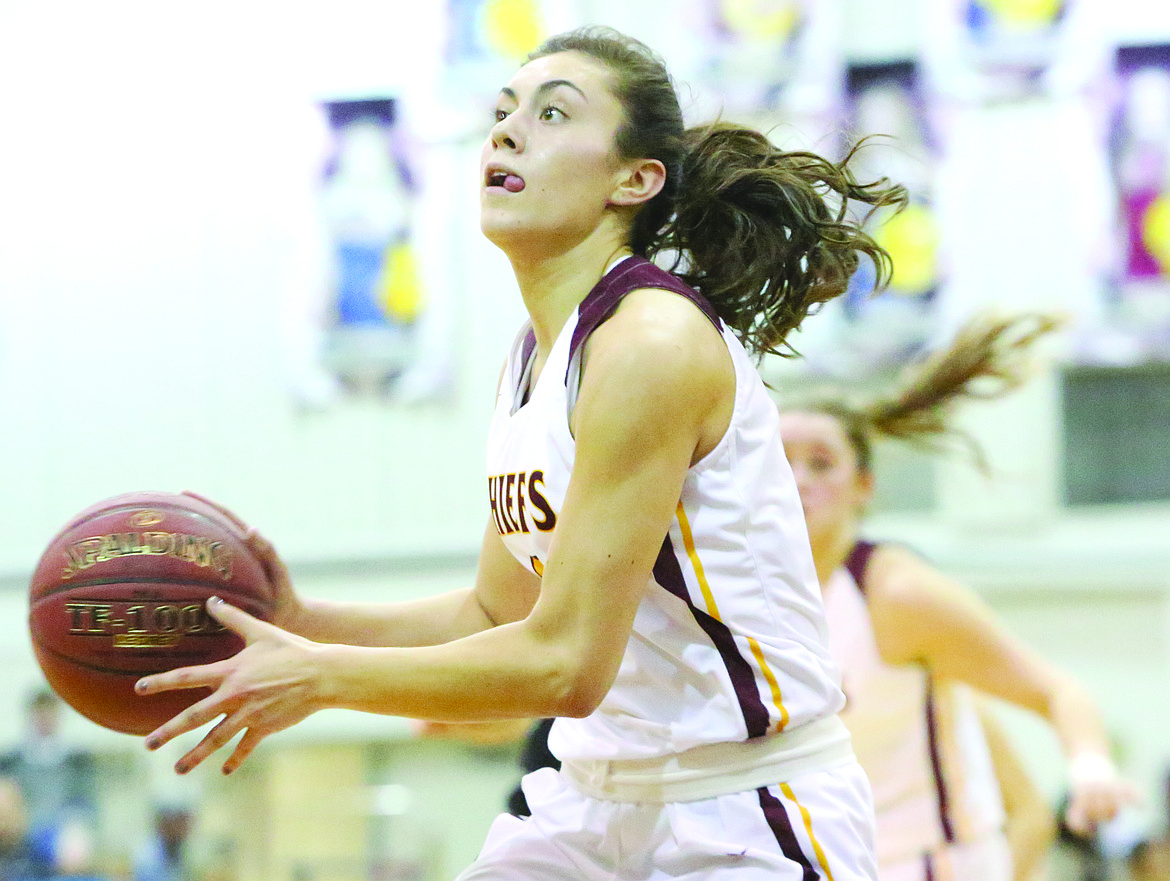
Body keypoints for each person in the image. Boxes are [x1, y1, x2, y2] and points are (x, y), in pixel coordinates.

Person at [136, 25, 908, 881]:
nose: (505, 131)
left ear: (635, 178)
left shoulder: (650, 342)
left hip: (745, 810)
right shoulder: (532, 356)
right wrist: (301, 621)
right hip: (592, 801)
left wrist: (321, 678)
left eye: (551, 113)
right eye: (503, 111)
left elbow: (565, 664)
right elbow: (495, 617)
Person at [775, 313, 1138, 881]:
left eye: (821, 463)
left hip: (928, 864)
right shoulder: (746, 597)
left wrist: (1090, 769)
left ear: (864, 488)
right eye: (779, 462)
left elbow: (1057, 691)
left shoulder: (897, 594)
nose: (797, 481)